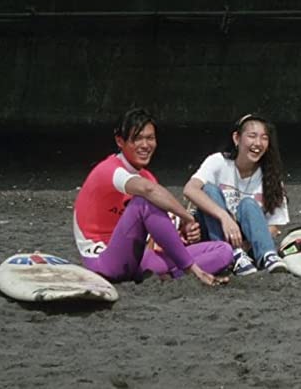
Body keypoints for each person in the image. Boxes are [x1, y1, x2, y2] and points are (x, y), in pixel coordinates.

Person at [73, 108, 231, 286]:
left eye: (150, 138)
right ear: (120, 141)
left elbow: (156, 236)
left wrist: (185, 232)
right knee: (144, 202)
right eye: (137, 138)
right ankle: (191, 271)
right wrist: (186, 217)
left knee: (223, 250)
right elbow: (148, 191)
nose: (145, 145)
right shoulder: (108, 170)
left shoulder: (148, 177)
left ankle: (171, 277)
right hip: (103, 260)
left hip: (138, 260)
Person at [184, 114, 290, 275]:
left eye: (264, 138)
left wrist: (248, 243)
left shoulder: (271, 175)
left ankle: (268, 256)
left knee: (248, 204)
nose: (258, 143)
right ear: (237, 138)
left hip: (248, 241)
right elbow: (190, 189)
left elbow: (274, 225)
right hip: (215, 233)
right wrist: (224, 216)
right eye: (252, 136)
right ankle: (233, 254)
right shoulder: (219, 162)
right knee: (209, 190)